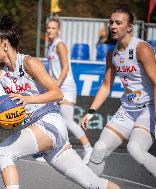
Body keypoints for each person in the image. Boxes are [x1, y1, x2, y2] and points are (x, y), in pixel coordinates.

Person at [0, 15, 120, 189]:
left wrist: (27, 99)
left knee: (3, 153)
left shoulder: (29, 63)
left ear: (5, 45)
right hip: (43, 134)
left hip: (49, 122)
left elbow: (57, 94)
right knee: (93, 184)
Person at [81, 6, 156, 178]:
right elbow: (106, 86)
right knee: (98, 149)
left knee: (135, 149)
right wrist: (91, 111)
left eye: (118, 23)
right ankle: (92, 184)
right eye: (111, 22)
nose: (113, 26)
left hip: (148, 109)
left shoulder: (142, 49)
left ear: (129, 27)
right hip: (127, 110)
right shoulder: (112, 54)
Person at [46, 16, 93, 164]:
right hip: (57, 86)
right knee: (51, 117)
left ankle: (88, 149)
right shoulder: (50, 46)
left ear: (58, 30)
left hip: (66, 87)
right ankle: (50, 149)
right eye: (48, 28)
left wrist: (56, 84)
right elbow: (53, 70)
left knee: (67, 120)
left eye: (53, 28)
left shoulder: (60, 45)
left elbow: (65, 67)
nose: (50, 30)